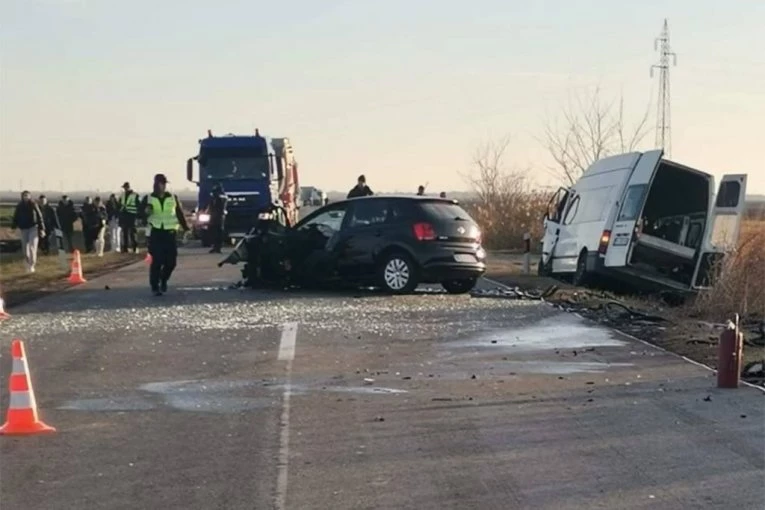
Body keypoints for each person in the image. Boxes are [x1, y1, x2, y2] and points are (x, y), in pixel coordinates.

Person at [141, 173, 189, 296]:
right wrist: (146, 213)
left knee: (171, 262)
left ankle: (163, 279)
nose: (159, 186)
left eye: (162, 184)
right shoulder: (148, 198)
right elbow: (141, 216)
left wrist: (186, 228)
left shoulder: (173, 198)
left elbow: (179, 213)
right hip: (155, 232)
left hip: (170, 233)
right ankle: (155, 286)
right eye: (157, 184)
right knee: (157, 261)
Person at [11, 191, 45, 273]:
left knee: (32, 247)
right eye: (24, 196)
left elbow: (39, 217)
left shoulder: (33, 205)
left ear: (30, 196)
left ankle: (32, 265)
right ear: (22, 197)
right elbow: (16, 217)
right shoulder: (19, 206)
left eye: (27, 196)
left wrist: (42, 229)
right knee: (25, 248)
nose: (26, 197)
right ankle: (27, 263)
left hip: (33, 228)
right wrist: (14, 226)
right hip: (24, 229)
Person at [120, 182, 139, 253]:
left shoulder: (135, 195)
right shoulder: (122, 195)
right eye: (124, 187)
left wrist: (138, 215)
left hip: (132, 215)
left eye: (126, 187)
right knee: (125, 232)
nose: (125, 189)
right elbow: (120, 204)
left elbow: (138, 205)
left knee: (132, 232)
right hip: (124, 215)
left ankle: (135, 247)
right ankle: (125, 248)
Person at [208, 183, 228, 254]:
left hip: (218, 218)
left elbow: (219, 208)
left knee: (218, 233)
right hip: (214, 218)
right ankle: (215, 247)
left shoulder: (221, 198)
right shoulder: (215, 199)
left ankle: (218, 248)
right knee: (214, 233)